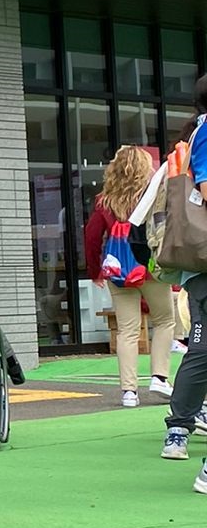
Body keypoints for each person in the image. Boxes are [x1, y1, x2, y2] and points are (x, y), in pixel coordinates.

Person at [83, 146, 174, 408]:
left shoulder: (104, 200)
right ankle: (159, 377)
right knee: (165, 320)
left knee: (127, 331)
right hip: (150, 266)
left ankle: (129, 392)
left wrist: (95, 270)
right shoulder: (154, 195)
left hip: (119, 268)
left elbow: (91, 237)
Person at [161, 79, 207, 482]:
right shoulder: (206, 132)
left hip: (199, 264)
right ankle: (180, 427)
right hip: (204, 264)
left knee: (201, 347)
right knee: (201, 347)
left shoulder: (193, 133)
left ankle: (179, 428)